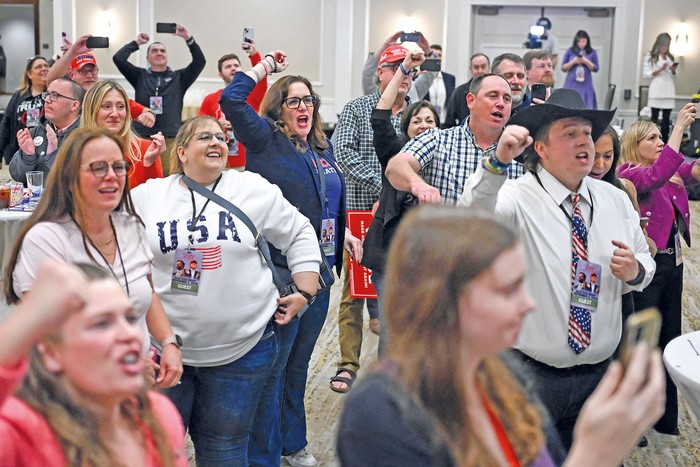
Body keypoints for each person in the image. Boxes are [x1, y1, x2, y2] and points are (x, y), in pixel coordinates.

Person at [337, 207, 665, 466]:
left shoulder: (504, 376)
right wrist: (593, 455)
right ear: (445, 300)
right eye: (508, 290)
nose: (528, 303)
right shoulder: (381, 412)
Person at [458, 88, 657, 450]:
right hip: (531, 376)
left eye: (587, 133)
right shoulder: (516, 196)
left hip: (601, 373)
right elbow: (472, 217)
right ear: (542, 148)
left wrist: (635, 271)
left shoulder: (613, 198)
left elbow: (646, 260)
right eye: (570, 133)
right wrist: (497, 162)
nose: (586, 142)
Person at [130, 116, 321, 466]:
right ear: (182, 152)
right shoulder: (148, 197)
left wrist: (305, 290)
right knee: (158, 452)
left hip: (242, 352)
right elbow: (116, 261)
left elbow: (299, 233)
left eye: (221, 137)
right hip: (166, 354)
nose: (217, 142)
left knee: (226, 449)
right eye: (206, 137)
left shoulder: (252, 188)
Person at [219, 49, 360, 467]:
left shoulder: (321, 146)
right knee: (273, 370)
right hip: (280, 274)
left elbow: (327, 201)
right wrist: (264, 68)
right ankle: (262, 454)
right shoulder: (265, 139)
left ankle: (291, 444)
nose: (305, 107)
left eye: (309, 100)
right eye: (294, 100)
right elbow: (231, 99)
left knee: (299, 366)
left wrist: (346, 231)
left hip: (321, 274)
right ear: (279, 108)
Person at [6, 127, 182, 389]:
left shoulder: (131, 227)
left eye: (118, 167)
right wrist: (122, 363)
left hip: (133, 386)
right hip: (69, 393)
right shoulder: (46, 239)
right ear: (69, 177)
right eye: (98, 168)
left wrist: (169, 343)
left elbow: (147, 292)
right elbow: (44, 333)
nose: (111, 176)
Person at [0, 261, 188, 466]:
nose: (129, 334)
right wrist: (27, 319)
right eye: (102, 323)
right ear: (51, 353)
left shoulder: (159, 413)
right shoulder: (22, 435)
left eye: (129, 318)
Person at [331, 44, 415, 395]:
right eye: (396, 67)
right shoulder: (357, 108)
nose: (404, 76)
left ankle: (393, 367)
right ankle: (348, 363)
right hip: (360, 211)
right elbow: (342, 150)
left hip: (399, 218)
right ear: (380, 73)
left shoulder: (415, 115)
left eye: (409, 70)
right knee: (353, 292)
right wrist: (381, 181)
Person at [618, 103, 700, 436]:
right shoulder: (629, 174)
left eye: (660, 138)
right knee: (642, 342)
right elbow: (658, 173)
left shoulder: (669, 174)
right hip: (647, 267)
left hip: (673, 263)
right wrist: (678, 126)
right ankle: (631, 423)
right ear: (635, 145)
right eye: (652, 138)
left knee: (669, 337)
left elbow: (690, 170)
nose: (659, 143)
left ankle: (664, 419)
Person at [362, 48, 438, 355]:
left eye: (429, 120)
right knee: (393, 336)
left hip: (431, 262)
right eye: (416, 120)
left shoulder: (447, 157)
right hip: (391, 257)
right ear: (406, 128)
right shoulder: (395, 154)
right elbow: (380, 116)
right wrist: (404, 70)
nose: (422, 125)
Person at [385, 73, 524, 206]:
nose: (501, 103)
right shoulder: (438, 139)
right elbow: (396, 166)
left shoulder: (520, 152)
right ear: (471, 101)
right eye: (493, 96)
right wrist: (419, 186)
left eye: (507, 99)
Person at [113, 24, 206, 175]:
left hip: (170, 139)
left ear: (167, 56)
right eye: (154, 50)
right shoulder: (139, 76)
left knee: (171, 180)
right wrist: (136, 43)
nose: (159, 53)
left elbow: (199, 62)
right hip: (143, 138)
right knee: (144, 178)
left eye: (162, 50)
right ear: (147, 57)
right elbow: (118, 58)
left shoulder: (179, 78)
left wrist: (187, 38)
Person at [45, 35, 156, 128]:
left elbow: (144, 110)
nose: (89, 76)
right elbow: (51, 80)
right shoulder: (66, 95)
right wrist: (73, 51)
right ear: (72, 74)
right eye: (83, 71)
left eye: (93, 71)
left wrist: (148, 114)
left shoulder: (106, 95)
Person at [80, 80, 165, 188]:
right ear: (91, 111)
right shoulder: (77, 151)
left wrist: (148, 164)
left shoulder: (146, 150)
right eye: (106, 106)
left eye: (120, 107)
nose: (115, 114)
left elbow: (156, 198)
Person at [199, 38, 268, 170]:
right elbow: (199, 126)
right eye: (228, 66)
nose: (233, 69)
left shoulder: (251, 96)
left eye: (236, 66)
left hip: (247, 162)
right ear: (220, 74)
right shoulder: (210, 99)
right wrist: (217, 124)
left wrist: (254, 55)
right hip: (217, 161)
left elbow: (262, 80)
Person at [9, 78, 83, 184]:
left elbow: (75, 182)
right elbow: (16, 175)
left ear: (74, 105)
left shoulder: (85, 136)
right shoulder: (38, 131)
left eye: (55, 95)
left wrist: (53, 154)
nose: (47, 100)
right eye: (47, 94)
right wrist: (28, 157)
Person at [0, 56, 49, 165]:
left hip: (44, 153)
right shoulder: (19, 95)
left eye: (46, 66)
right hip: (17, 153)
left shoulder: (52, 95)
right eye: (38, 67)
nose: (44, 68)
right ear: (29, 74)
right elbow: (6, 123)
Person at [642, 33, 678, 143]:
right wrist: (660, 69)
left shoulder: (670, 57)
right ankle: (652, 143)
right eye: (663, 46)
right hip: (656, 90)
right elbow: (646, 74)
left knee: (666, 121)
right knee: (654, 119)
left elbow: (675, 75)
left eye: (667, 46)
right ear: (658, 44)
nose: (665, 48)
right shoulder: (650, 56)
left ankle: (665, 144)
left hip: (668, 90)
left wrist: (673, 70)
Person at [444, 53, 490, 128]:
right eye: (476, 67)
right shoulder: (460, 92)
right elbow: (449, 121)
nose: (480, 71)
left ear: (489, 68)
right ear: (470, 69)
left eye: (483, 67)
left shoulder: (497, 91)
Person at [562, 30, 599, 109]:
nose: (581, 44)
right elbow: (563, 67)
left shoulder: (592, 52)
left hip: (585, 83)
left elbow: (596, 68)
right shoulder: (570, 51)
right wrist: (573, 62)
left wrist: (586, 61)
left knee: (586, 105)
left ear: (587, 41)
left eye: (583, 41)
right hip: (572, 83)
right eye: (579, 41)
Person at [421, 44, 456, 124]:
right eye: (434, 55)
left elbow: (451, 102)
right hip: (425, 123)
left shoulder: (450, 78)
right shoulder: (420, 79)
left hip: (445, 123)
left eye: (439, 55)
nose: (437, 57)